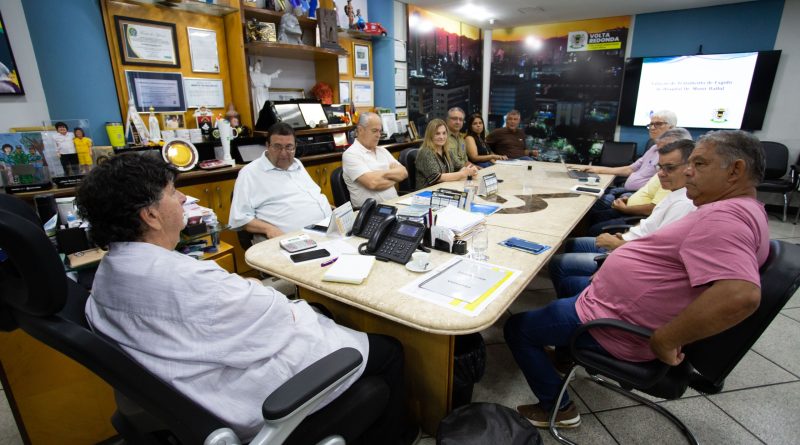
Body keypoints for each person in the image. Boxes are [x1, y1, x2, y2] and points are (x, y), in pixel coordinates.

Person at [76, 154, 411, 444]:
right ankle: (398, 437)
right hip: (248, 403)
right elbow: (276, 317)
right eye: (173, 192)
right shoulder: (182, 280)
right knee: (388, 349)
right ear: (150, 215)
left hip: (193, 393)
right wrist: (275, 298)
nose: (182, 198)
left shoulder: (107, 274)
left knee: (317, 310)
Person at [504, 130, 768, 429]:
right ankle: (566, 354)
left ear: (735, 170)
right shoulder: (741, 209)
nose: (688, 171)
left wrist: (666, 339)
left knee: (517, 328)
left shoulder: (724, 218)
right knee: (569, 282)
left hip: (616, 324)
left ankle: (559, 408)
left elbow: (741, 294)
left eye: (700, 164)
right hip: (613, 305)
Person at [549, 139, 698, 299]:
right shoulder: (675, 192)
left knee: (560, 264)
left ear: (690, 168)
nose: (661, 173)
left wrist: (617, 245)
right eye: (660, 167)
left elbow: (657, 255)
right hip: (628, 243)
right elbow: (651, 229)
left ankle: (582, 304)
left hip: (630, 256)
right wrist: (626, 235)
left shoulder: (683, 204)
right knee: (572, 244)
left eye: (670, 168)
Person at [229, 122, 331, 242]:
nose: (283, 153)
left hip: (326, 231)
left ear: (295, 146)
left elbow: (311, 196)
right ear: (267, 146)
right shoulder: (250, 173)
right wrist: (269, 229)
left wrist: (327, 208)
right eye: (277, 147)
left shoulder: (297, 164)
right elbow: (239, 218)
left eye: (289, 147)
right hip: (290, 240)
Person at [586, 127, 692, 235]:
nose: (660, 152)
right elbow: (633, 171)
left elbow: (652, 218)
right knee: (591, 216)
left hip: (632, 216)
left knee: (592, 220)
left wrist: (626, 210)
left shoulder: (674, 186)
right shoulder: (659, 163)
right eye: (660, 167)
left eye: (667, 149)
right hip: (629, 206)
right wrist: (629, 200)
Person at [582, 110, 678, 192]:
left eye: (658, 124)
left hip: (637, 195)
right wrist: (598, 170)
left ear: (671, 128)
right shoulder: (653, 148)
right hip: (626, 191)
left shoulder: (672, 154)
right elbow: (630, 169)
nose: (652, 128)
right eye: (651, 124)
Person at [342, 112, 408, 207]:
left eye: (380, 131)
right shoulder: (351, 154)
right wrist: (394, 176)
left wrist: (380, 175)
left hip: (396, 205)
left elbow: (404, 172)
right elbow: (373, 183)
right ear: (360, 130)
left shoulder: (382, 151)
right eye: (374, 131)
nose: (378, 135)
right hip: (371, 212)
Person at [415, 118, 477, 189]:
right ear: (430, 135)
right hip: (427, 192)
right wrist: (463, 173)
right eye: (437, 133)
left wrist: (470, 170)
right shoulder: (425, 152)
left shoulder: (447, 150)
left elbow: (459, 166)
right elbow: (437, 178)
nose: (442, 137)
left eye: (444, 133)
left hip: (445, 188)